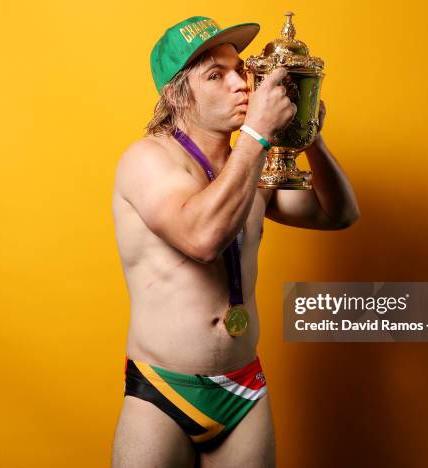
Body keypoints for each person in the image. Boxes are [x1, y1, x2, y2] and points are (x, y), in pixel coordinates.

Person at [111, 15, 360, 468]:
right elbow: (202, 237)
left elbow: (339, 214)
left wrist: (311, 139)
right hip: (165, 388)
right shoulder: (147, 159)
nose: (242, 84)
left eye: (238, 68)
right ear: (177, 94)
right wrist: (256, 136)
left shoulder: (252, 165)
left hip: (244, 387)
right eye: (215, 75)